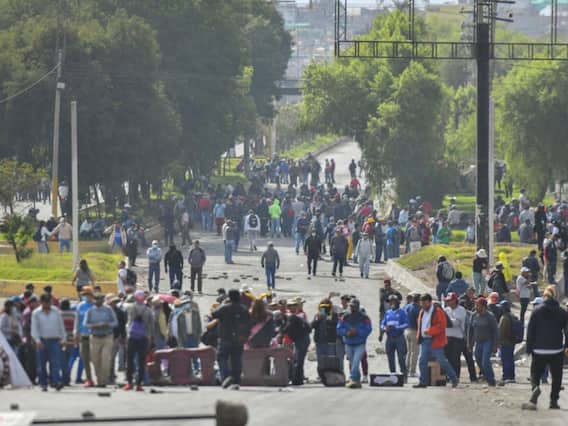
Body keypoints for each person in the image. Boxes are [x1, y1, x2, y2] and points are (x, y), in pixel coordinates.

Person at [522, 288, 568, 410]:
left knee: (535, 374)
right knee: (556, 377)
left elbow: (530, 331)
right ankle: (553, 401)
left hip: (539, 349)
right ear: (556, 296)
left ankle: (535, 390)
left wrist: (529, 349)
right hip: (556, 349)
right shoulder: (562, 312)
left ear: (544, 296)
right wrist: (566, 346)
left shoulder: (536, 311)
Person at [413, 293, 458, 388]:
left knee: (442, 361)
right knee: (422, 361)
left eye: (425, 303)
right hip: (425, 341)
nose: (423, 305)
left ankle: (454, 379)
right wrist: (420, 336)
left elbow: (442, 325)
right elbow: (420, 325)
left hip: (435, 340)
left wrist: (430, 331)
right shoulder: (422, 312)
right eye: (422, 303)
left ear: (430, 302)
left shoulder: (437, 311)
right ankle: (423, 382)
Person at [211, 289, 251, 390]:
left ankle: (226, 378)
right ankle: (236, 380)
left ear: (229, 297)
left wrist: (223, 303)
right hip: (239, 339)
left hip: (225, 337)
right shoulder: (243, 309)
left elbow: (214, 314)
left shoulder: (224, 308)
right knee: (236, 359)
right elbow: (249, 323)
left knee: (222, 358)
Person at [31, 293, 65, 391]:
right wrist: (37, 341)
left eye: (49, 302)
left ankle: (55, 382)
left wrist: (63, 338)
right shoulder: (36, 313)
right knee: (41, 364)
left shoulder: (56, 311)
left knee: (55, 363)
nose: (47, 304)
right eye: (45, 302)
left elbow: (61, 325)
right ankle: (43, 384)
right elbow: (34, 329)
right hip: (42, 341)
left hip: (54, 340)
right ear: (41, 302)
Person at [84, 293, 118, 387]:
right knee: (95, 360)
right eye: (96, 299)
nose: (97, 301)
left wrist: (107, 324)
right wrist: (94, 326)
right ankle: (99, 379)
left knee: (105, 359)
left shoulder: (108, 310)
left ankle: (104, 381)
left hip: (107, 336)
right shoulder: (90, 311)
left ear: (103, 300)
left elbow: (115, 322)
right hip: (95, 337)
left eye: (99, 299)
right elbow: (85, 324)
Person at [337, 298, 372, 389]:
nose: (353, 308)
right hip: (348, 343)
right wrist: (346, 333)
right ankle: (357, 380)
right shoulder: (345, 316)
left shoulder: (364, 317)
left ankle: (352, 379)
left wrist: (358, 332)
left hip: (359, 343)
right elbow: (339, 328)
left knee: (356, 362)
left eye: (354, 306)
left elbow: (368, 329)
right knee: (352, 362)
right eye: (351, 306)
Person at [123, 290, 154, 391]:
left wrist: (126, 335)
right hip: (143, 338)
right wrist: (150, 337)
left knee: (130, 361)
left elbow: (128, 322)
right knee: (142, 362)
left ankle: (129, 383)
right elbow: (151, 325)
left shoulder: (130, 308)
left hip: (132, 337)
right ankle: (139, 384)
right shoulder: (148, 310)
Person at [284, 297, 311, 386]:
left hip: (302, 340)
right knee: (297, 359)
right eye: (289, 305)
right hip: (300, 340)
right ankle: (297, 378)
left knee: (298, 360)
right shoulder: (293, 316)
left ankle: (297, 380)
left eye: (292, 305)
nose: (290, 307)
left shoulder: (294, 316)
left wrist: (281, 332)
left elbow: (287, 328)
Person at [471, 297, 498, 386]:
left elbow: (495, 331)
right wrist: (469, 343)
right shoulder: (474, 315)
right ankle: (487, 376)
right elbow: (470, 330)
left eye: (478, 305)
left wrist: (495, 345)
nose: (476, 307)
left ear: (483, 307)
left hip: (487, 341)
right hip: (478, 342)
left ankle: (491, 380)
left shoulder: (490, 317)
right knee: (478, 359)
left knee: (485, 361)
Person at [381, 294, 409, 379]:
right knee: (390, 357)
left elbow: (406, 324)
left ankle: (404, 375)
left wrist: (397, 327)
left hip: (399, 337)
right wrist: (384, 328)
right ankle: (393, 374)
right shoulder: (388, 312)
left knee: (401, 357)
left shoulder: (402, 312)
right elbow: (383, 323)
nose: (392, 303)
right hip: (389, 338)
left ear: (397, 302)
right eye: (390, 302)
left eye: (393, 301)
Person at [74, 286, 95, 387]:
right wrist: (76, 333)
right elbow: (77, 321)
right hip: (83, 335)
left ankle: (99, 378)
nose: (86, 296)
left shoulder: (95, 306)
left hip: (94, 336)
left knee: (95, 359)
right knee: (85, 359)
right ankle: (89, 379)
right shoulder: (80, 306)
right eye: (84, 295)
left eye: (88, 294)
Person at [444, 292, 467, 380]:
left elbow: (455, 323)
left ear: (454, 300)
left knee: (455, 358)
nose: (448, 302)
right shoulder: (446, 310)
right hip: (447, 337)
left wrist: (446, 320)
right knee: (447, 358)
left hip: (457, 338)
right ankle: (447, 376)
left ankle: (456, 376)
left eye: (450, 300)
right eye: (447, 301)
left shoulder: (461, 310)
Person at [176, 295, 202, 372]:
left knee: (195, 354)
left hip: (193, 337)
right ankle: (188, 371)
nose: (186, 305)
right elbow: (179, 330)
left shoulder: (195, 313)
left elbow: (199, 326)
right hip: (185, 338)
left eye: (188, 303)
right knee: (186, 356)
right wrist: (180, 341)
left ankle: (196, 370)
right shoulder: (180, 315)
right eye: (184, 304)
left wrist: (198, 337)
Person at [497, 300, 516, 385]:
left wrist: (497, 341)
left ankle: (506, 376)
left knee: (505, 360)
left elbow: (501, 331)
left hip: (505, 342)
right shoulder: (512, 316)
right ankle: (511, 376)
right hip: (512, 341)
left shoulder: (504, 318)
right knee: (510, 359)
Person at [403, 292, 421, 377]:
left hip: (406, 330)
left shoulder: (407, 307)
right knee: (415, 352)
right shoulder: (418, 309)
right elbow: (419, 321)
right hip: (414, 331)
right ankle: (412, 371)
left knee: (409, 351)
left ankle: (406, 369)